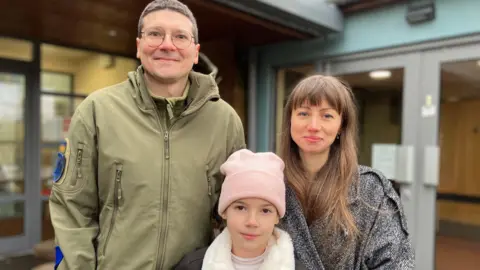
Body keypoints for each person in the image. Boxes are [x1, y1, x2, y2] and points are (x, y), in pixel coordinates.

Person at [48, 0, 246, 269]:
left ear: (195, 51)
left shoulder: (225, 121)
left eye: (180, 36)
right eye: (155, 34)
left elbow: (236, 214)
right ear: (139, 46)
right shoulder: (96, 112)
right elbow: (72, 210)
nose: (167, 44)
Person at [277, 75, 414, 270]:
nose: (314, 126)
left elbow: (397, 263)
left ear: (341, 125)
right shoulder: (269, 182)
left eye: (327, 116)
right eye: (303, 113)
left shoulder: (371, 189)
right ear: (290, 120)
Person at [175, 149, 307, 270]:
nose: (252, 221)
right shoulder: (192, 266)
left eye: (265, 211)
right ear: (225, 211)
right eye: (241, 208)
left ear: (277, 216)